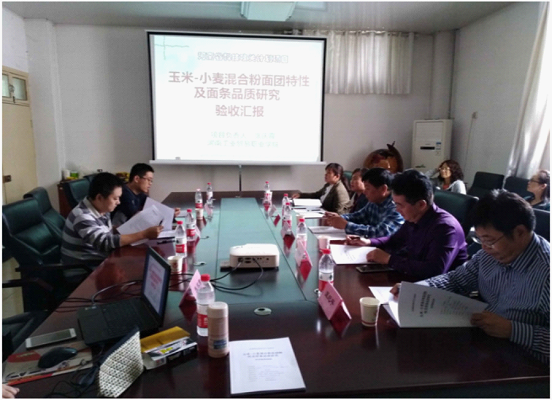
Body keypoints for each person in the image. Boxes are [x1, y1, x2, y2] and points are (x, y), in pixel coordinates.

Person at [391, 190, 550, 363]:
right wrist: (417, 290)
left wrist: (513, 330)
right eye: (480, 240)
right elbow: (455, 280)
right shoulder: (488, 255)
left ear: (520, 232)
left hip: (525, 363)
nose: (485, 248)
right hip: (485, 346)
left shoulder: (546, 273)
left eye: (490, 241)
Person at [347, 169, 468, 279]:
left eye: (400, 205)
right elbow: (395, 240)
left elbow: (434, 271)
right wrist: (369, 242)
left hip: (436, 290)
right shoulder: (414, 217)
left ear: (421, 205)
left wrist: (389, 259)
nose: (397, 209)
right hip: (412, 279)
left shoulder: (445, 228)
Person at [62, 172, 162, 265]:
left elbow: (106, 230)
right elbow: (105, 242)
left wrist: (127, 227)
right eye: (115, 198)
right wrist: (144, 234)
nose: (118, 202)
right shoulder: (82, 216)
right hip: (86, 269)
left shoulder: (101, 208)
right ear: (99, 198)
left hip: (101, 259)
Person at [324, 168, 404, 238]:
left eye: (368, 188)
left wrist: (346, 225)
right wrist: (339, 218)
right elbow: (359, 216)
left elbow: (380, 232)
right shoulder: (374, 201)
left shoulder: (396, 206)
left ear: (383, 189)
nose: (364, 192)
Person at [111, 163, 180, 226]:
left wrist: (169, 213)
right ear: (136, 179)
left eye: (151, 181)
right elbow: (136, 218)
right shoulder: (123, 194)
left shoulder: (141, 194)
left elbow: (154, 209)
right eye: (149, 180)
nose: (150, 183)